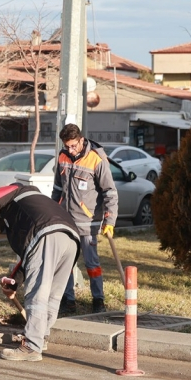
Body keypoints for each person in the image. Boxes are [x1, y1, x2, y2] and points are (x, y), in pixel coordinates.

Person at [0, 182, 81, 361]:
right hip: (72, 239)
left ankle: (31, 346)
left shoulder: (18, 190)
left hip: (47, 234)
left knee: (37, 294)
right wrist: (14, 284)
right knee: (52, 296)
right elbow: (30, 257)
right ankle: (40, 337)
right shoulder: (38, 205)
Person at [51, 124, 118, 315]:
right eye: (67, 146)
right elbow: (57, 189)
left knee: (92, 264)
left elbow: (110, 192)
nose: (70, 150)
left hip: (89, 223)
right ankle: (68, 300)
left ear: (81, 140)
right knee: (66, 263)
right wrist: (53, 212)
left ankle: (98, 300)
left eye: (73, 145)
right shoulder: (63, 156)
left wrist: (109, 221)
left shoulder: (96, 159)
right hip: (66, 221)